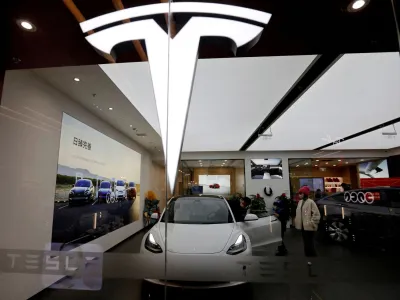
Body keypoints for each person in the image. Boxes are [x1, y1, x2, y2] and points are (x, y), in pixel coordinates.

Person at [295, 186, 320, 263]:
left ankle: (312, 257)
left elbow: (316, 214)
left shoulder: (311, 202)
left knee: (310, 242)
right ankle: (308, 256)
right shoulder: (300, 202)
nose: (299, 195)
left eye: (300, 193)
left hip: (309, 226)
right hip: (302, 226)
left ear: (305, 193)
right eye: (299, 193)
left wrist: (312, 223)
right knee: (306, 242)